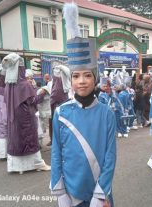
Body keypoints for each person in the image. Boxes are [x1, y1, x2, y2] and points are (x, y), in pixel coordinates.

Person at [50, 3, 116, 207]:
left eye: (87, 75)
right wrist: (59, 189)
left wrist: (101, 193)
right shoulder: (61, 112)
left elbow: (110, 156)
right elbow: (56, 153)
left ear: (95, 78)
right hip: (70, 191)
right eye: (76, 76)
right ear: (71, 79)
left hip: (99, 191)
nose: (82, 81)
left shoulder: (107, 113)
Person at [3, 53, 50, 174]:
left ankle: (16, 167)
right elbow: (33, 100)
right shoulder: (24, 84)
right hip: (25, 117)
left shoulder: (8, 85)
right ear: (21, 68)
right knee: (29, 139)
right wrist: (44, 92)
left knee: (17, 139)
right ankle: (37, 164)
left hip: (13, 117)